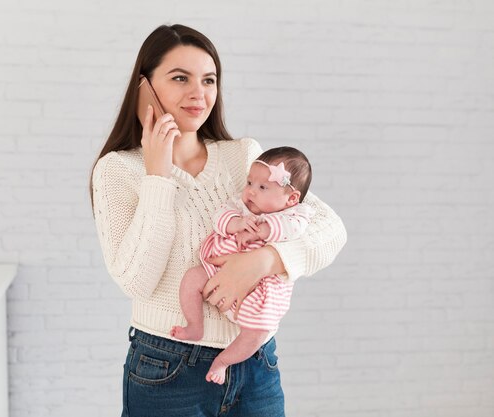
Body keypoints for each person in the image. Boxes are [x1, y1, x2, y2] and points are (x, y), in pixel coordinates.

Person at [90, 24, 347, 417]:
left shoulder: (244, 157)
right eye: (180, 78)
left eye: (209, 80)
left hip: (256, 364)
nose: (199, 93)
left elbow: (329, 229)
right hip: (167, 368)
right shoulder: (118, 171)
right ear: (146, 87)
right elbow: (136, 280)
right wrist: (157, 174)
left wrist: (264, 261)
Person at [170, 146, 315, 385]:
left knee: (258, 333)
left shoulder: (296, 214)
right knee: (192, 279)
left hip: (262, 291)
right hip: (217, 270)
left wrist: (263, 230)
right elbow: (220, 218)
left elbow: (295, 229)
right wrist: (236, 224)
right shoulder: (241, 206)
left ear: (291, 198)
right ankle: (194, 325)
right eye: (249, 183)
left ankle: (223, 362)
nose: (250, 192)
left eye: (262, 187)